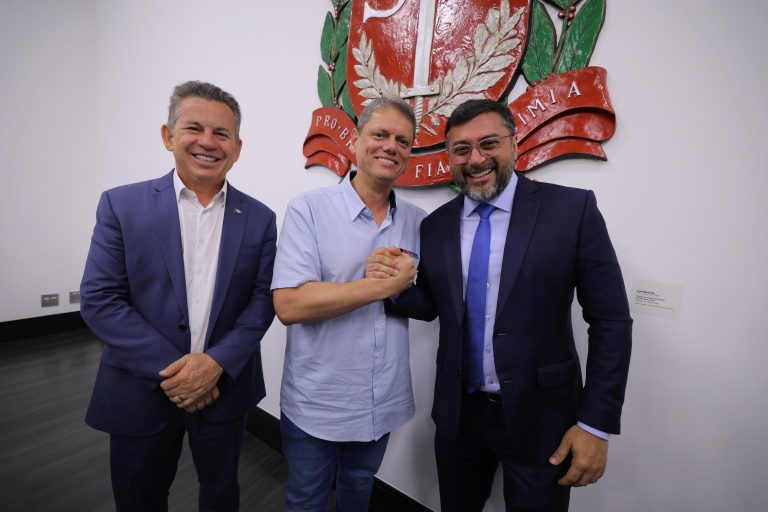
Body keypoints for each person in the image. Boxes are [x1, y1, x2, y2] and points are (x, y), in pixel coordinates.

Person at [367, 99, 632, 511]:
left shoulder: (571, 210)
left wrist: (595, 424)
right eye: (461, 149)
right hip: (460, 417)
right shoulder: (436, 226)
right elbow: (434, 305)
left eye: (489, 143)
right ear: (449, 157)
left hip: (544, 418)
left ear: (514, 144)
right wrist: (395, 286)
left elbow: (610, 320)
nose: (475, 159)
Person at [80, 80, 276, 511]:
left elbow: (263, 300)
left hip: (224, 389)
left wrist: (214, 365)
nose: (208, 141)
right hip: (139, 388)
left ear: (237, 148)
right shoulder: (121, 205)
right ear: (168, 136)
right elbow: (101, 299)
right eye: (194, 128)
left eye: (221, 133)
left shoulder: (260, 218)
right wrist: (184, 374)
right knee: (139, 498)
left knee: (221, 494)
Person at [271, 95, 425, 511]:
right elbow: (289, 305)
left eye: (403, 141)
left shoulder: (418, 221)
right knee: (306, 499)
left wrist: (403, 287)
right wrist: (379, 286)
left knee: (358, 493)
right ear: (355, 140)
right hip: (319, 400)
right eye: (380, 134)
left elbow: (425, 302)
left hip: (383, 398)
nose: (391, 147)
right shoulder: (308, 210)